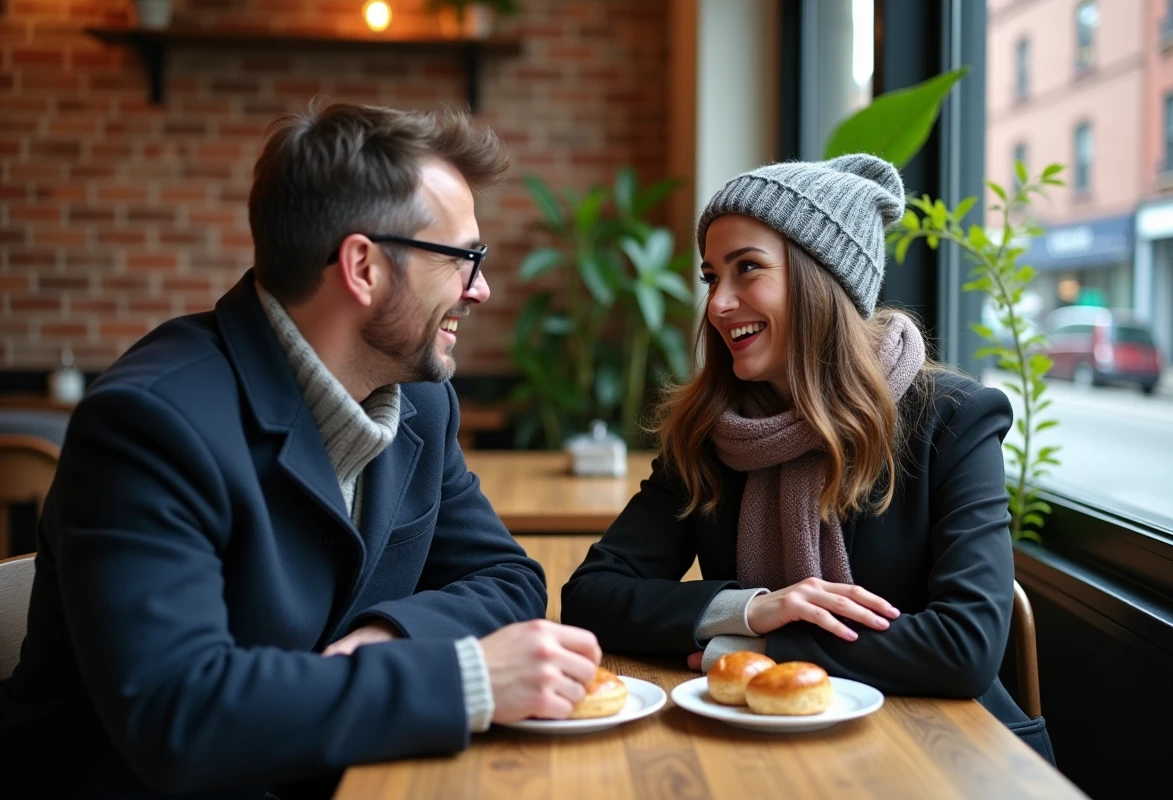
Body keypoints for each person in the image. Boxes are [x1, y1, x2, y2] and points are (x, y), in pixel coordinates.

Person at [0, 103, 602, 798]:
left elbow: (507, 578)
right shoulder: (149, 423)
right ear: (363, 267)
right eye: (464, 258)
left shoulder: (421, 403)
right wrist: (465, 679)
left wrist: (390, 638)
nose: (482, 288)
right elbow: (182, 715)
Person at [560, 155, 1054, 763]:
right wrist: (750, 608)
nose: (718, 303)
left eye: (748, 269)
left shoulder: (954, 420)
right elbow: (591, 595)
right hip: (762, 750)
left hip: (950, 753)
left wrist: (762, 651)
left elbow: (966, 647)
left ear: (822, 282)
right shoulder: (710, 432)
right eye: (713, 276)